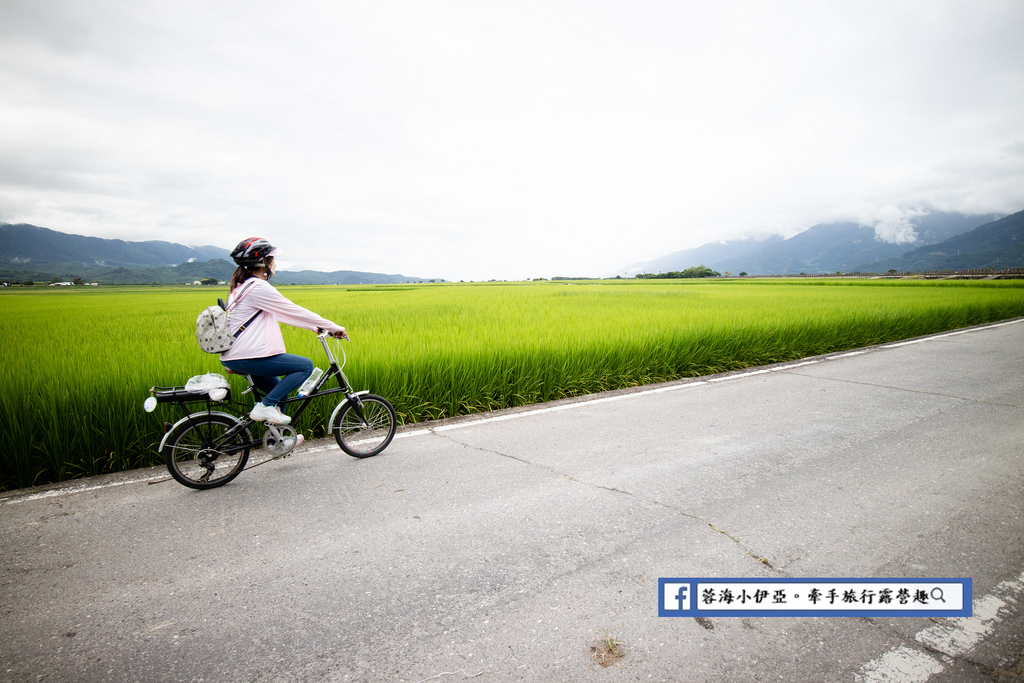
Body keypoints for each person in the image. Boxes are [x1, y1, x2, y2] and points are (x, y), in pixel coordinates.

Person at [220, 237, 347, 425]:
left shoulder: (242, 287)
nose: (275, 264)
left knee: (279, 392)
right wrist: (333, 327)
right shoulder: (258, 288)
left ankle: (276, 440)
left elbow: (279, 314)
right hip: (246, 356)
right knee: (304, 366)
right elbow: (294, 310)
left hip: (237, 356)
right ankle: (265, 407)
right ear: (263, 262)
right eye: (272, 259)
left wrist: (314, 327)